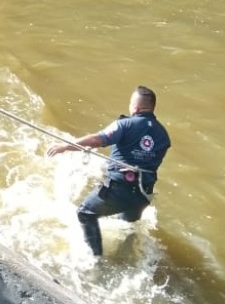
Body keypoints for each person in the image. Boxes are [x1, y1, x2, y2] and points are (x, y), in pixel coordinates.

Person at [46, 85, 170, 257]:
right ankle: (127, 257)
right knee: (128, 226)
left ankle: (95, 258)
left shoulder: (125, 124)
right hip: (143, 195)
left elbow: (98, 139)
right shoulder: (164, 135)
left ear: (135, 107)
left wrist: (66, 146)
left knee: (85, 213)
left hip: (119, 189)